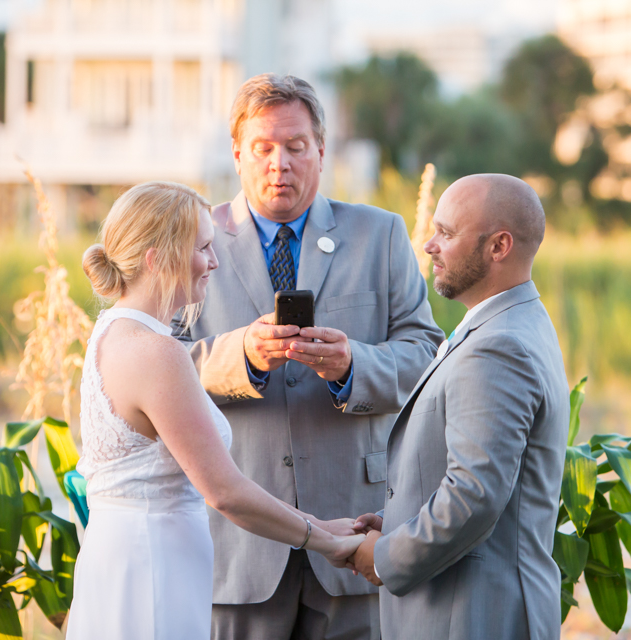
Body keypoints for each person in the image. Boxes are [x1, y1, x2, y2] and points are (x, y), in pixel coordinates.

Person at [170, 74, 444, 640]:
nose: (280, 164)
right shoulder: (193, 241)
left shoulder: (382, 235)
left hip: (353, 533)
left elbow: (426, 357)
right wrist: (241, 355)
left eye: (296, 147)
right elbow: (160, 369)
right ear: (238, 154)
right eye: (264, 149)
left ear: (322, 150)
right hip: (238, 540)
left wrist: (354, 367)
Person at [66, 182, 365, 640]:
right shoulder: (157, 352)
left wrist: (322, 523)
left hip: (125, 558)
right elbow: (224, 491)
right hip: (152, 568)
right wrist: (327, 540)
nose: (215, 261)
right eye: (203, 248)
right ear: (157, 258)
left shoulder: (110, 330)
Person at [348, 174, 570, 640]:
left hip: (475, 615)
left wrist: (385, 558)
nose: (429, 245)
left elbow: (474, 495)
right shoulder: (511, 320)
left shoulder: (499, 346)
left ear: (499, 247)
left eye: (446, 233)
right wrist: (396, 521)